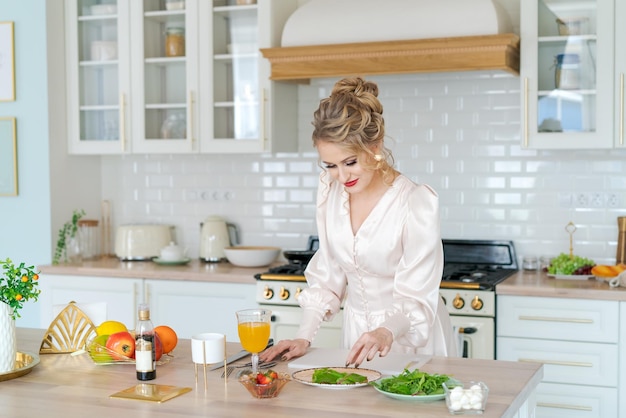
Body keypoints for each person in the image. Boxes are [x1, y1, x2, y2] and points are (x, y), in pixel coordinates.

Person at [260, 77, 458, 368]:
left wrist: (385, 331)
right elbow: (329, 274)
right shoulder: (330, 191)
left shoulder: (415, 202)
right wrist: (304, 336)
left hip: (409, 338)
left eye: (350, 162)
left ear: (374, 146)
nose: (342, 176)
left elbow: (417, 297)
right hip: (356, 338)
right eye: (330, 165)